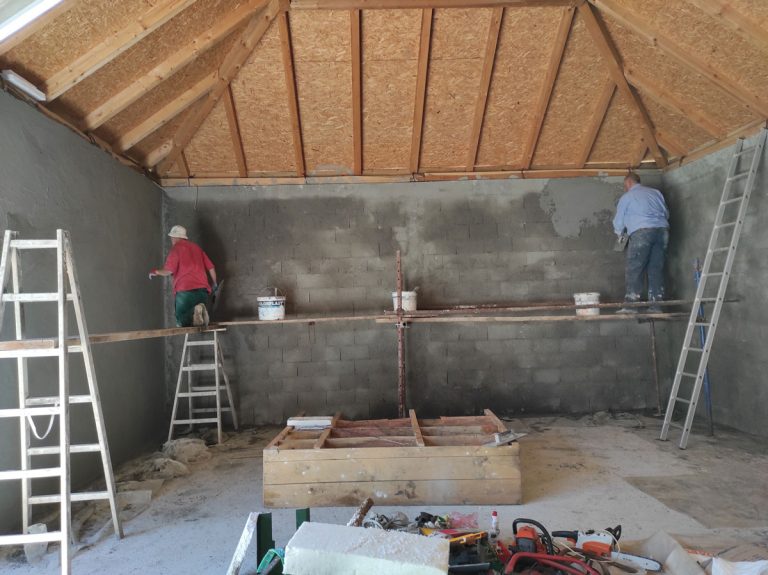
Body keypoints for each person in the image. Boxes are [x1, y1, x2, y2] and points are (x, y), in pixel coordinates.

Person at [613, 173, 669, 314]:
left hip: (642, 233)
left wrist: (620, 234)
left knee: (635, 268)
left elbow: (618, 221)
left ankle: (631, 305)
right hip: (662, 232)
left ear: (629, 183)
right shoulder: (656, 193)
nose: (625, 188)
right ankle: (656, 306)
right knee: (655, 268)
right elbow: (666, 213)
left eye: (625, 185)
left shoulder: (627, 197)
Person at [149, 225, 217, 327]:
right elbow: (211, 267)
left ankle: (196, 311)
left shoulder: (176, 249)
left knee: (181, 321)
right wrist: (215, 284)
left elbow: (169, 270)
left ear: (175, 237)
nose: (171, 239)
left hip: (185, 290)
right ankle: (199, 309)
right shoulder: (197, 248)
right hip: (202, 290)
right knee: (197, 321)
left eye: (171, 237)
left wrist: (156, 271)